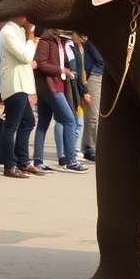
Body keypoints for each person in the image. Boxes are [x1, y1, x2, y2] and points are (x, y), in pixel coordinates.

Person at [33, 28, 86, 172]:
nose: (64, 28)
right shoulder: (46, 41)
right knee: (69, 120)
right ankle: (71, 161)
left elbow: (73, 63)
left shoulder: (60, 41)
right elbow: (41, 63)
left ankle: (38, 161)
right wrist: (62, 71)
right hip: (50, 88)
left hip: (56, 87)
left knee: (43, 123)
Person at [0, 16, 44, 178]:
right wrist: (31, 36)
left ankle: (23, 161)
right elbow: (25, 56)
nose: (28, 17)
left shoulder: (18, 30)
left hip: (21, 84)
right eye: (25, 14)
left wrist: (29, 35)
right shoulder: (8, 32)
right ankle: (9, 166)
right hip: (14, 84)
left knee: (28, 121)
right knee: (11, 127)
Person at [53, 31, 91, 164]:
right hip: (66, 88)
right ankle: (63, 154)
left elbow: (80, 72)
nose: (83, 38)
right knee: (63, 121)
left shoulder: (78, 48)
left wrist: (83, 89)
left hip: (75, 89)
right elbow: (75, 71)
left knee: (76, 122)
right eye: (81, 35)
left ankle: (71, 151)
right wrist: (84, 90)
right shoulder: (67, 46)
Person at [81, 36, 103, 162]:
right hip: (95, 76)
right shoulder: (94, 40)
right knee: (93, 116)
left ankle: (88, 146)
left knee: (93, 115)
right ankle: (90, 148)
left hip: (99, 75)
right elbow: (100, 60)